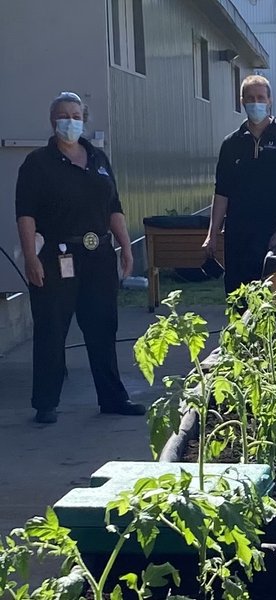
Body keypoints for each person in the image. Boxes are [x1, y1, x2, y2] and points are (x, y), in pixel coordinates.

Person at [15, 91, 145, 424]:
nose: (70, 122)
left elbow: (113, 206)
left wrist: (126, 247)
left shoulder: (98, 158)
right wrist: (30, 257)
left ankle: (112, 398)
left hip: (98, 255)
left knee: (103, 327)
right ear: (52, 121)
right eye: (63, 116)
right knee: (52, 329)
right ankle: (46, 403)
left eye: (76, 116)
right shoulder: (37, 164)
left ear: (84, 120)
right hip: (57, 256)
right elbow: (26, 214)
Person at [202, 75, 276, 294]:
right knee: (238, 298)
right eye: (250, 98)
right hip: (238, 236)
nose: (255, 103)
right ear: (242, 101)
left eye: (261, 97)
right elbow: (222, 191)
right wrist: (212, 233)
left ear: (270, 100)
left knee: (274, 299)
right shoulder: (231, 143)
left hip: (274, 235)